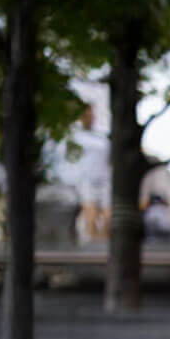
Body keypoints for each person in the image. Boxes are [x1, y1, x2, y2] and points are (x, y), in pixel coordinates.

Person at [69, 104, 109, 246]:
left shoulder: (101, 135)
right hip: (86, 180)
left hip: (104, 180)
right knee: (90, 215)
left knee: (108, 216)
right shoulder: (75, 136)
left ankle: (103, 245)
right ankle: (91, 245)